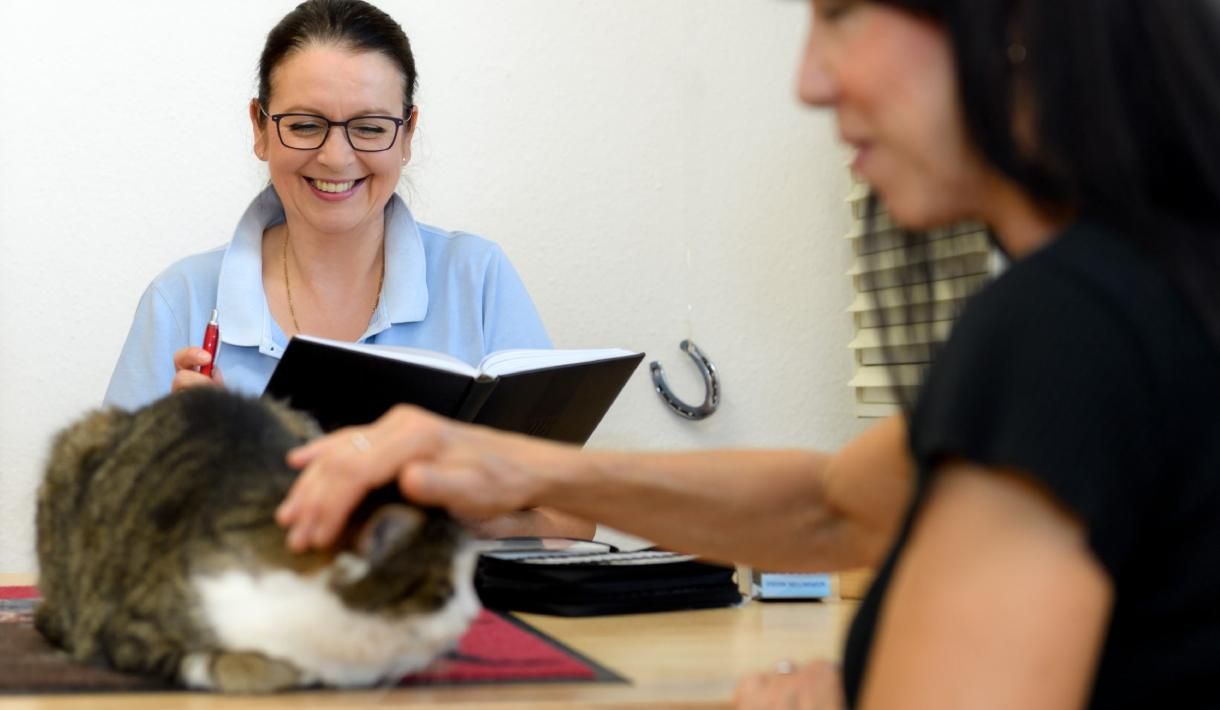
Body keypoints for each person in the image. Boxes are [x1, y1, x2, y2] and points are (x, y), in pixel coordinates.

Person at [274, 0, 1220, 708]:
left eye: (842, 14)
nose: (809, 79)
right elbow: (827, 508)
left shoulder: (1068, 326)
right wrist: (505, 461)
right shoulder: (1158, 283)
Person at [104, 0, 591, 539]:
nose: (337, 157)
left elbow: (575, 515)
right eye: (306, 124)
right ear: (260, 127)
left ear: (407, 135)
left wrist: (467, 520)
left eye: (370, 127)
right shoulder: (182, 300)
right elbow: (103, 532)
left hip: (453, 618)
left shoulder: (476, 277)